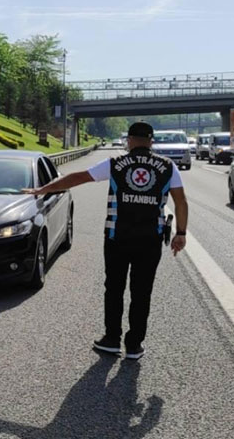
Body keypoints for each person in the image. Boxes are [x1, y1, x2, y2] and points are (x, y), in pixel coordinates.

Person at [22, 121, 188, 360]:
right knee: (142, 292)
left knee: (114, 288)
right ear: (151, 142)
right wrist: (180, 233)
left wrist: (43, 190)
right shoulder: (168, 167)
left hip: (116, 237)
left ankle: (112, 339)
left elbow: (79, 177)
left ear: (129, 140)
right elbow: (181, 202)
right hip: (150, 241)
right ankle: (134, 345)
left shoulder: (115, 164)